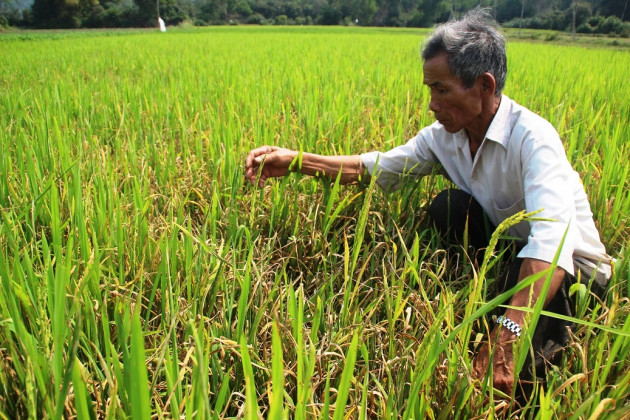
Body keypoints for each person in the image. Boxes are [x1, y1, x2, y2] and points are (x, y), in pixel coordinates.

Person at [244, 8, 612, 394]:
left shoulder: (533, 139)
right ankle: (490, 287)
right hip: (516, 249)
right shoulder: (444, 137)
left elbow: (552, 245)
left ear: (484, 86)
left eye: (442, 90)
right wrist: (298, 161)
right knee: (448, 208)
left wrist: (508, 332)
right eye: (430, 90)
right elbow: (376, 169)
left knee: (508, 357)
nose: (432, 104)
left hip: (572, 269)